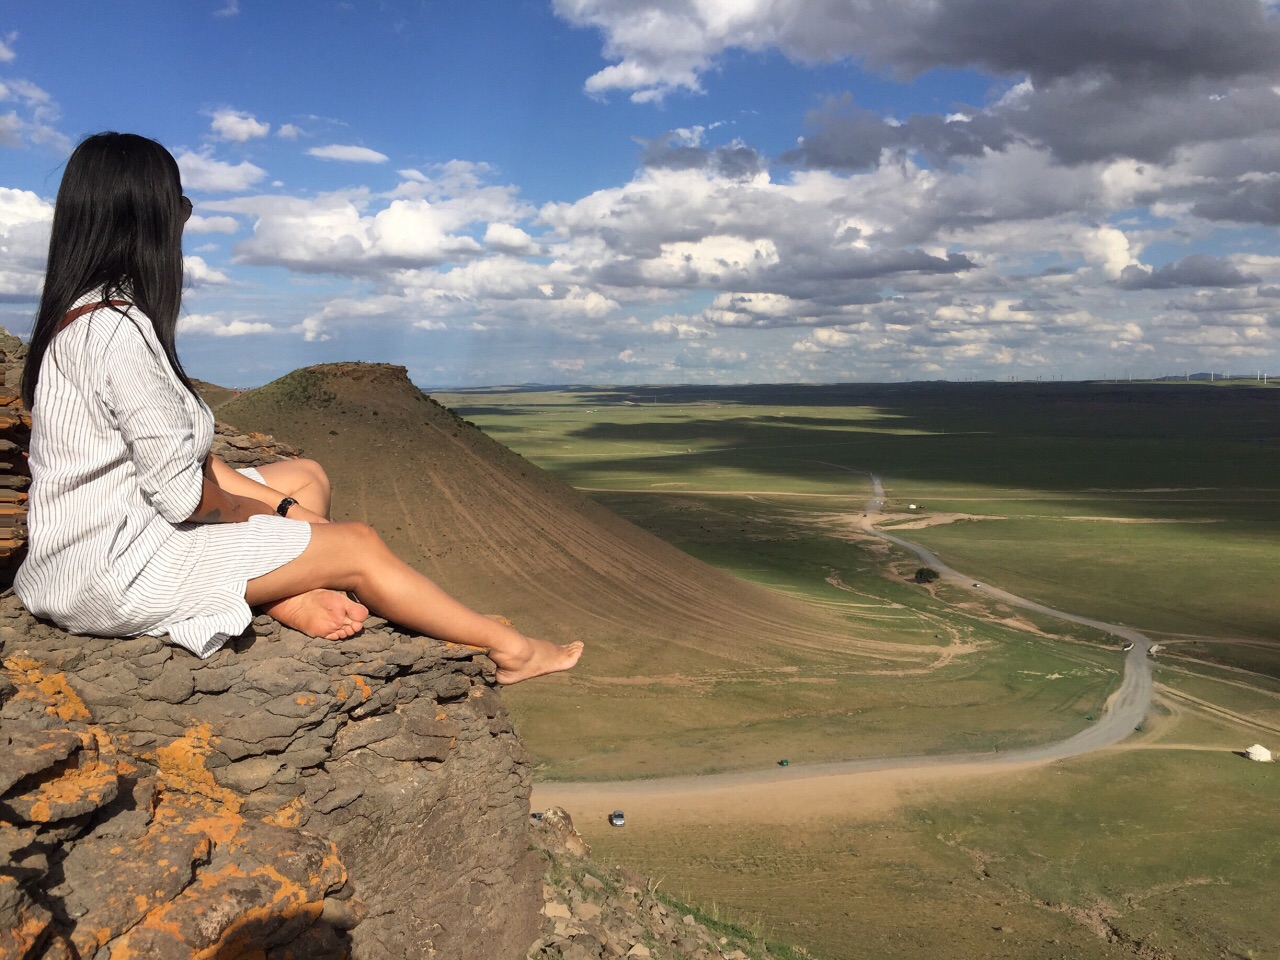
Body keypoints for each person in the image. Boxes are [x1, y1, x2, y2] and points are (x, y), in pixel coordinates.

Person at [15, 132, 582, 684]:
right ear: (149, 218)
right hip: (114, 572)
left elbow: (191, 464)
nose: (184, 225)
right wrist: (303, 529)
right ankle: (513, 648)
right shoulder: (122, 334)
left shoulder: (83, 317)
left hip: (78, 553)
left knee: (306, 477)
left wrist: (290, 512)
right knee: (358, 544)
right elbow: (183, 497)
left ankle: (289, 591)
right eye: (181, 208)